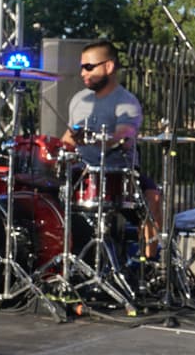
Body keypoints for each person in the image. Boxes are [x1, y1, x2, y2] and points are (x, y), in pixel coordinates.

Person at [60, 41, 162, 258]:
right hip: (81, 174)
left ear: (108, 67)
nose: (82, 73)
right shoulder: (78, 100)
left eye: (89, 67)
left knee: (152, 196)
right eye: (81, 67)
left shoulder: (127, 102)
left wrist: (94, 140)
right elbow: (67, 139)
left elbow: (123, 136)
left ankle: (150, 263)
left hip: (118, 175)